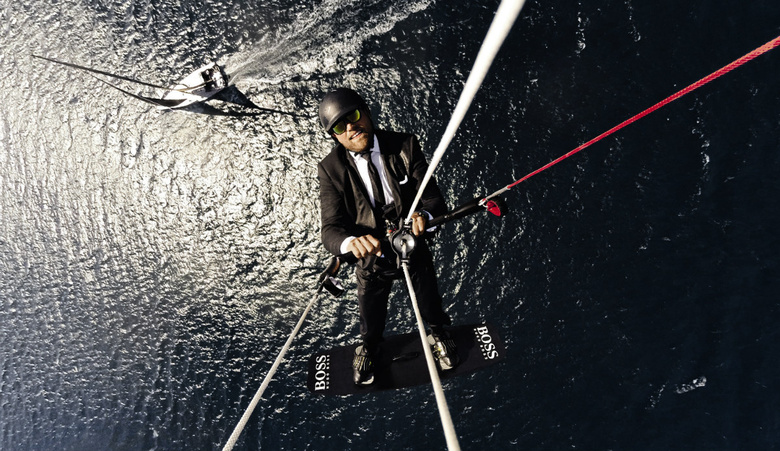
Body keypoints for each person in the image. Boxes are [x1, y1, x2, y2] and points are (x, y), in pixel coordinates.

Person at [316, 87, 458, 386]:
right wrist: (351, 243)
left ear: (367, 113)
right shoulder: (330, 169)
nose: (351, 127)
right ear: (335, 137)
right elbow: (330, 229)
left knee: (429, 302)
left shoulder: (405, 145)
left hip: (411, 245)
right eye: (340, 127)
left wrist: (424, 216)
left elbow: (433, 199)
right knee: (371, 314)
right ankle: (369, 347)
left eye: (354, 116)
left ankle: (439, 332)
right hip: (371, 258)